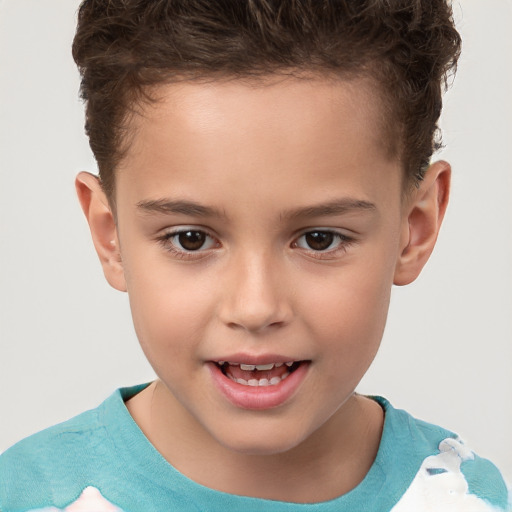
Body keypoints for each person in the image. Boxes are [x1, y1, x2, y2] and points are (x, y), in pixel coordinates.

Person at [0, 0, 510, 510]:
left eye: (319, 239)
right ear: (110, 236)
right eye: (191, 239)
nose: (255, 307)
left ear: (414, 228)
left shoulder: (464, 498)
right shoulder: (27, 497)